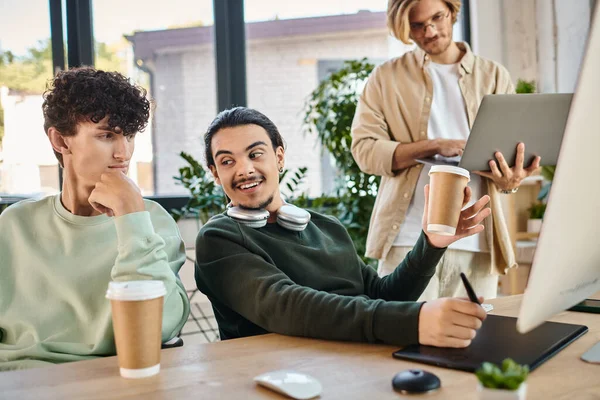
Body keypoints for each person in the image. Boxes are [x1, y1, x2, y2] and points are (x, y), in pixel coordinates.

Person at [195, 107, 490, 348]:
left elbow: (381, 295)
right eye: (227, 161)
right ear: (216, 175)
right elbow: (287, 306)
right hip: (277, 376)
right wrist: (415, 321)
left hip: (355, 361)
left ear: (279, 157)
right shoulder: (218, 239)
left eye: (255, 154)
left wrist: (430, 243)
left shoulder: (326, 227)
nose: (244, 169)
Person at [0, 67, 190, 371]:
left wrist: (131, 220)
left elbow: (162, 326)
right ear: (61, 141)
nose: (123, 153)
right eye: (106, 136)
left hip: (111, 382)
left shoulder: (150, 219)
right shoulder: (13, 226)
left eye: (129, 136)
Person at [350, 0, 541, 301]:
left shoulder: (493, 75)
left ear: (452, 12)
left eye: (437, 18)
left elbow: (508, 164)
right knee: (400, 337)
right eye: (417, 25)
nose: (430, 31)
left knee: (473, 341)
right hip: (407, 239)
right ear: (405, 28)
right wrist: (435, 145)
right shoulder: (385, 78)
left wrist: (510, 180)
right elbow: (364, 150)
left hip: (478, 240)